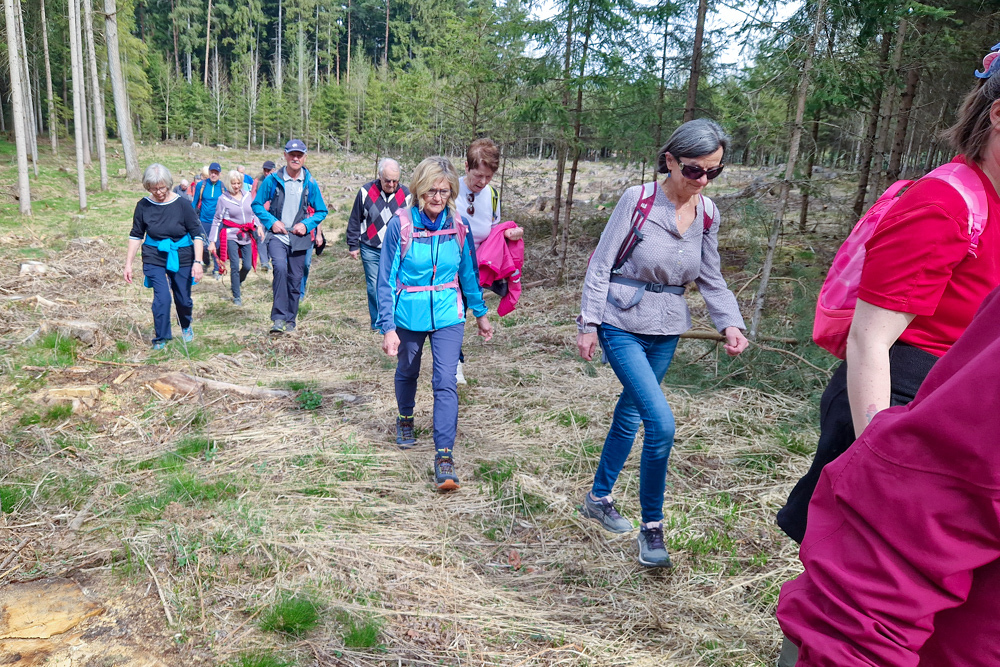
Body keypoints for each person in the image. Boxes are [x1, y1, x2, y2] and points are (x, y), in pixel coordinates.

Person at [773, 44, 1000, 667]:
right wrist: (880, 452)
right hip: (899, 398)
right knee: (855, 572)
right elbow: (869, 339)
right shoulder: (945, 202)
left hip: (955, 412)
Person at [776, 285, 1000, 666]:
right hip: (909, 392)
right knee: (849, 553)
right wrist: (875, 447)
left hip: (944, 391)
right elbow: (868, 336)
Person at [575, 118, 748, 568]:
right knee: (661, 424)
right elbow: (601, 263)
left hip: (668, 327)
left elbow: (711, 276)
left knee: (632, 411)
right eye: (694, 170)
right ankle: (652, 528)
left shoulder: (708, 213)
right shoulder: (637, 200)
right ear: (670, 160)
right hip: (620, 321)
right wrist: (588, 322)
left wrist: (730, 323)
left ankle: (598, 498)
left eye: (714, 171)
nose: (703, 180)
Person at [377, 156, 493, 492]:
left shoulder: (458, 226)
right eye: (431, 191)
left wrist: (481, 314)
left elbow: (468, 273)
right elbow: (385, 280)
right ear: (418, 190)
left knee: (445, 381)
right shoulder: (401, 225)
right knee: (408, 370)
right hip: (408, 314)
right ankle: (405, 418)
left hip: (448, 314)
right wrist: (388, 327)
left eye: (444, 191)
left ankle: (444, 456)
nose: (437, 198)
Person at [456, 139, 523, 384]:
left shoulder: (492, 196)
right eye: (478, 175)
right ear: (466, 166)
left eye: (489, 176)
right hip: (448, 264)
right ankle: (454, 363)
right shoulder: (449, 189)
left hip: (476, 269)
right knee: (455, 314)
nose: (483, 182)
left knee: (461, 313)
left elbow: (494, 232)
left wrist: (509, 233)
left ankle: (452, 362)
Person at [123, 164, 205, 350]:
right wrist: (128, 264)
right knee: (162, 298)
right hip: (154, 255)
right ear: (147, 187)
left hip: (181, 254)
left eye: (162, 187)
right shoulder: (143, 206)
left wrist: (198, 262)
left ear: (168, 184)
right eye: (154, 188)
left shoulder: (183, 205)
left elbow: (197, 235)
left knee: (183, 299)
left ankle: (185, 324)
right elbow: (136, 235)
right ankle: (161, 338)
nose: (159, 192)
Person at [252, 139, 328, 334]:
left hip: (299, 237)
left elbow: (322, 211)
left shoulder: (310, 182)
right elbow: (257, 205)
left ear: (304, 158)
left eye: (299, 155)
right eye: (292, 154)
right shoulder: (272, 180)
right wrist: (271, 222)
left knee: (295, 279)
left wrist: (306, 225)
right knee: (279, 268)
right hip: (278, 235)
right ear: (285, 155)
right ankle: (278, 319)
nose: (295, 158)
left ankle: (290, 321)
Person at [346, 158, 410, 330]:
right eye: (387, 180)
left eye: (395, 181)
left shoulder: (407, 195)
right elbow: (355, 218)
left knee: (394, 284)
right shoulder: (366, 191)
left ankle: (395, 320)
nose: (391, 184)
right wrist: (353, 244)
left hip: (396, 249)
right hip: (370, 247)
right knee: (374, 287)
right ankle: (378, 322)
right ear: (380, 176)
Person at [209, 170, 260, 306]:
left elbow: (253, 213)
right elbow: (217, 219)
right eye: (233, 183)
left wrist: (259, 226)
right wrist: (212, 241)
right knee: (234, 265)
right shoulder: (223, 199)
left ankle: (237, 282)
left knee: (247, 265)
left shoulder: (247, 195)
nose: (236, 186)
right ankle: (237, 295)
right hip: (231, 235)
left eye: (238, 183)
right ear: (228, 184)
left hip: (246, 234)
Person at [192, 162, 225, 275]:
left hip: (218, 222)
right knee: (204, 246)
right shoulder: (201, 185)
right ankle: (206, 261)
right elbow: (194, 202)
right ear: (209, 173)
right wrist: (191, 216)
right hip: (203, 220)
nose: (213, 175)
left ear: (219, 174)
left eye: (216, 173)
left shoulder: (223, 187)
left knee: (216, 245)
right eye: (212, 172)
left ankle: (217, 269)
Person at [252, 160, 277, 272]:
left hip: (275, 214)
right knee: (261, 236)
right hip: (261, 213)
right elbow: (253, 198)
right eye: (265, 170)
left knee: (271, 237)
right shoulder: (258, 181)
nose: (266, 173)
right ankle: (264, 262)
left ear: (274, 170)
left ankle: (269, 259)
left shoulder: (278, 181)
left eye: (269, 170)